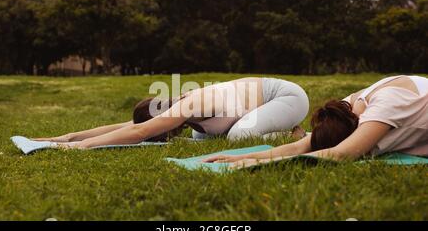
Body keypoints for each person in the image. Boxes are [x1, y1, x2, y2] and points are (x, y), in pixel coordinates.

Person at [204, 75, 428, 168]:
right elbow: (300, 146)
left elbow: (341, 153)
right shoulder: (344, 109)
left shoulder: (386, 106)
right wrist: (238, 156)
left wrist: (258, 165)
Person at [35, 77, 309, 148]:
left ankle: (295, 135)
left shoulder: (190, 104)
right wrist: (66, 137)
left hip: (287, 97)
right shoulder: (174, 111)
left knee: (239, 136)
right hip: (263, 107)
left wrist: (81, 148)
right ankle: (282, 131)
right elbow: (125, 125)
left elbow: (138, 131)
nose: (159, 134)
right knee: (202, 138)